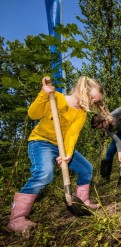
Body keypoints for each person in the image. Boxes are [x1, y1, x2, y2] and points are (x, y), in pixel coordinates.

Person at [8, 76, 108, 233]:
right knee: (44, 174)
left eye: (94, 101)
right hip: (41, 142)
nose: (92, 103)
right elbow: (33, 114)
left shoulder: (81, 114)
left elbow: (71, 135)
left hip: (61, 145)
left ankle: (81, 201)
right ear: (84, 90)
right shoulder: (56, 98)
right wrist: (43, 94)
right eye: (92, 98)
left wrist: (67, 154)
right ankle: (17, 219)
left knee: (86, 168)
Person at [91, 105, 121, 185]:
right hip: (120, 133)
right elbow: (117, 141)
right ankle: (105, 178)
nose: (103, 129)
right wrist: (120, 155)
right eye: (100, 129)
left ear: (104, 120)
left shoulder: (114, 114)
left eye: (102, 126)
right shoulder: (107, 129)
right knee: (110, 152)